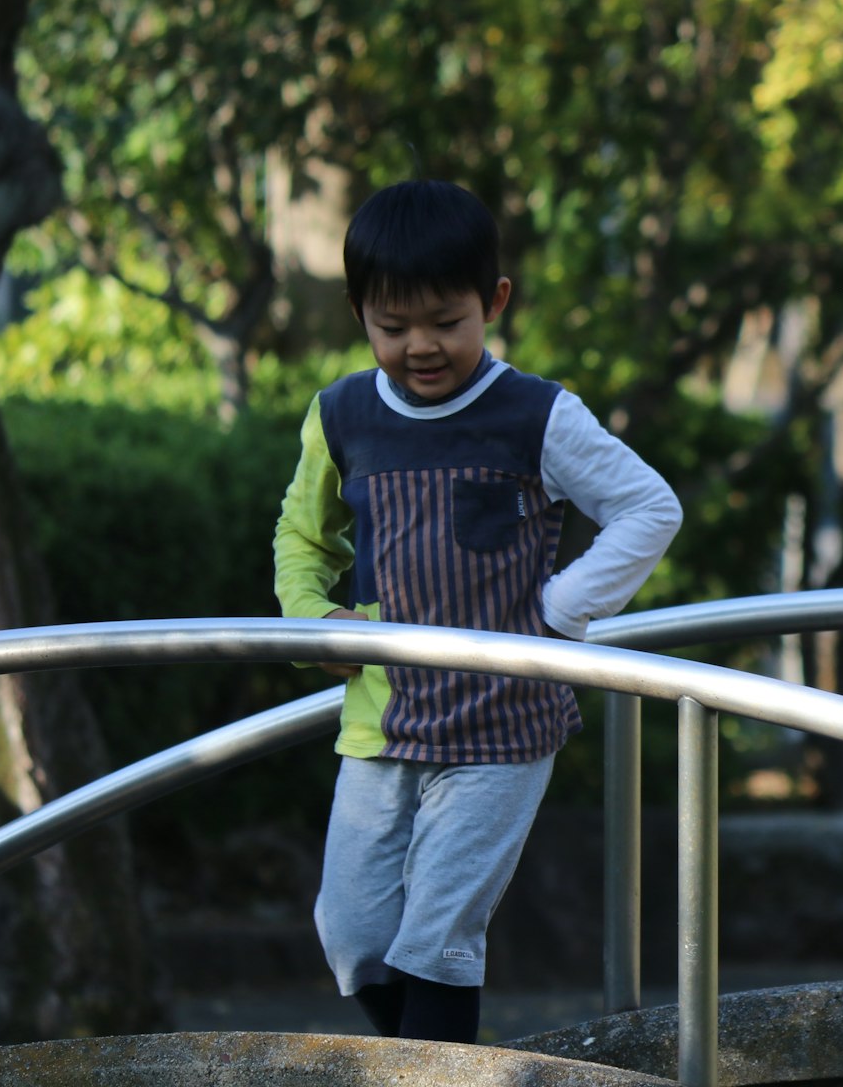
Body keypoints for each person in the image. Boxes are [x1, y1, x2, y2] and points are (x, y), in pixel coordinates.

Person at [273, 178, 682, 1042]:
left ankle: (437, 1066)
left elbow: (649, 508)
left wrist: (562, 611)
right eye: (393, 326)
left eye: (445, 321)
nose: (421, 346)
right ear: (359, 314)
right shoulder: (341, 415)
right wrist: (314, 619)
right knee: (351, 934)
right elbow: (303, 540)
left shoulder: (535, 414)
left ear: (492, 302)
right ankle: (428, 1063)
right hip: (383, 719)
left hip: (501, 726)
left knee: (437, 939)